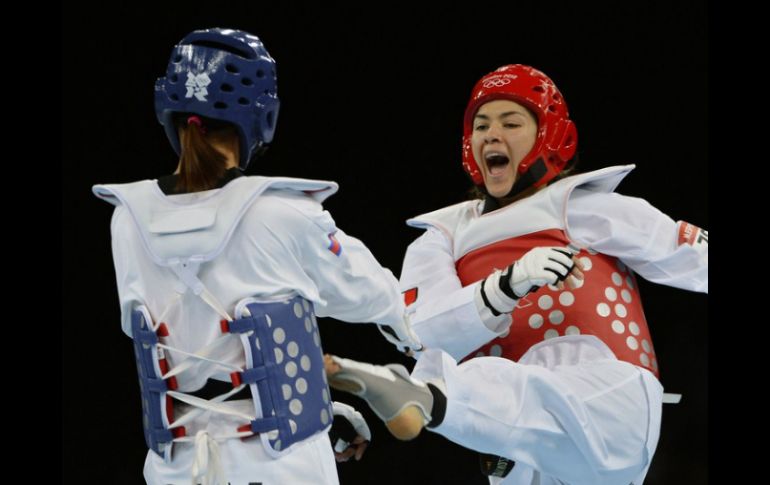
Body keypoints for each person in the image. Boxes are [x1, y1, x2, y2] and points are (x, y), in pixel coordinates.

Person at [325, 64, 708, 485]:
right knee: (483, 378)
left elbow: (694, 258)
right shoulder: (442, 239)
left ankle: (431, 399)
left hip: (608, 399)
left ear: (551, 136)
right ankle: (424, 399)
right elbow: (421, 335)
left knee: (517, 392)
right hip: (513, 442)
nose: (491, 134)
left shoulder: (584, 206)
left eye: (510, 123)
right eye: (481, 125)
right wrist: (503, 287)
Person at [92, 28, 420, 485]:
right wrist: (414, 338)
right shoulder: (282, 210)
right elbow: (373, 296)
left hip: (176, 467)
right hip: (281, 462)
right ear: (261, 115)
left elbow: (154, 335)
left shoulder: (126, 220)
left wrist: (307, 399)